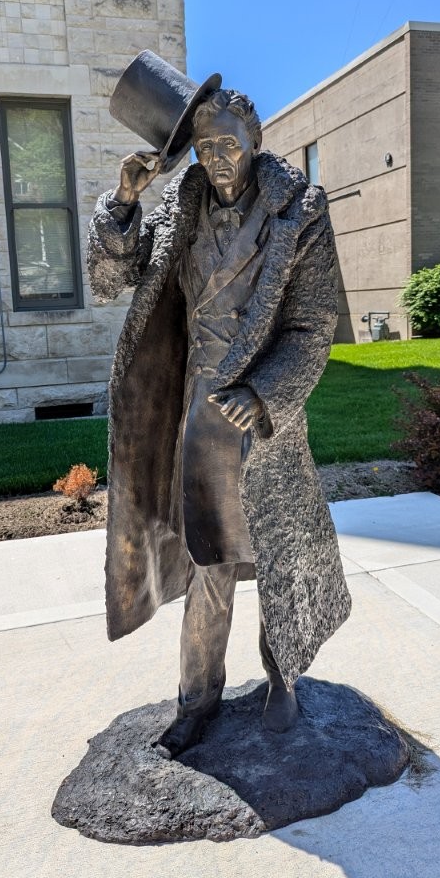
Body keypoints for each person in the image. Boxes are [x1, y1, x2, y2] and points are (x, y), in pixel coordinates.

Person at [88, 83, 351, 758]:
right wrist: (124, 202)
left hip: (264, 416)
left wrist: (264, 395)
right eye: (206, 147)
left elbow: (314, 325)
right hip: (197, 408)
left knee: (275, 556)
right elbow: (110, 280)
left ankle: (282, 676)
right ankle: (196, 700)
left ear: (255, 142)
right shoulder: (181, 207)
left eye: (229, 144)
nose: (218, 159)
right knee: (210, 559)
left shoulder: (300, 211)